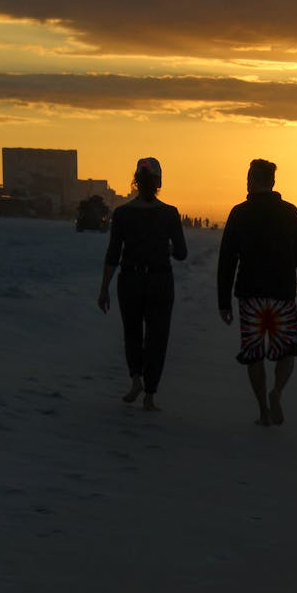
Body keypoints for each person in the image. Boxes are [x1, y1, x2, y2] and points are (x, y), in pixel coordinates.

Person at [217, 159, 297, 426]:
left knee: (253, 353)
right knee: (287, 351)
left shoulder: (239, 213)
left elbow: (227, 260)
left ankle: (263, 409)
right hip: (282, 294)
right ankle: (277, 392)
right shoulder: (290, 212)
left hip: (250, 295)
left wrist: (223, 302)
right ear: (272, 182)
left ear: (252, 179)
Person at [97, 157, 187, 411]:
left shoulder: (123, 213)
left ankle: (136, 379)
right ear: (159, 183)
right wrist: (166, 247)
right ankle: (149, 396)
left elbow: (113, 255)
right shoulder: (169, 214)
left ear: (135, 181)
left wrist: (104, 288)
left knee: (132, 334)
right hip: (159, 281)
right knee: (157, 338)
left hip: (130, 280)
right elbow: (181, 253)